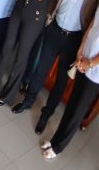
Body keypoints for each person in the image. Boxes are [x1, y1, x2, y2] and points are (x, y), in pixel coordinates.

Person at [14, 0, 99, 134]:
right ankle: (28, 100)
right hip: (55, 28)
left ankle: (45, 114)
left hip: (75, 36)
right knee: (40, 69)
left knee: (61, 79)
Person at [41, 13, 99, 160]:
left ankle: (58, 147)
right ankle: (55, 140)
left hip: (95, 72)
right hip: (84, 58)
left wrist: (90, 63)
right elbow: (93, 23)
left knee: (77, 111)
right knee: (72, 103)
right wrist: (81, 48)